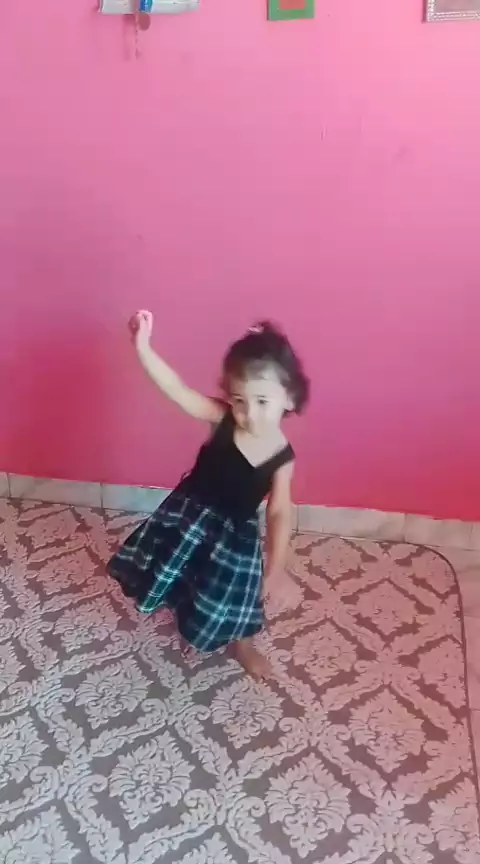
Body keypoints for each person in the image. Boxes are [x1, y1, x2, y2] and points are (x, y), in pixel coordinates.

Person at [107, 311, 309, 679]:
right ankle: (191, 621)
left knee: (238, 594)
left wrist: (277, 567)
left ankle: (243, 644)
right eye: (240, 400)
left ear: (290, 399)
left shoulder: (283, 457)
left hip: (235, 536)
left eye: (262, 401)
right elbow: (178, 390)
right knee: (186, 573)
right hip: (190, 516)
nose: (249, 413)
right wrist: (143, 347)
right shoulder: (222, 419)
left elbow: (280, 511)